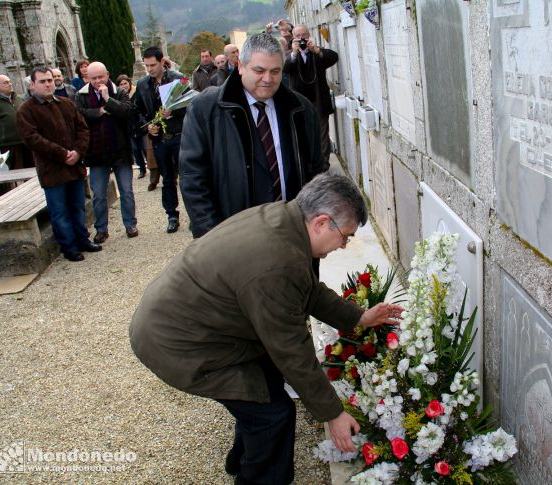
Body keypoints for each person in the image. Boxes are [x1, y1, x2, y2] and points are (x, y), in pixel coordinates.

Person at [130, 173, 404, 484]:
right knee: (272, 416)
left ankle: (241, 460)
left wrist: (359, 317)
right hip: (181, 342)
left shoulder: (283, 221)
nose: (343, 246)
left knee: (265, 386)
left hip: (193, 322)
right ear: (321, 223)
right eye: (346, 236)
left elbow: (307, 291)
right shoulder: (278, 263)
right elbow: (292, 350)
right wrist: (332, 413)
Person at [179, 33, 328, 239]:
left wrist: (314, 228)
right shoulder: (206, 109)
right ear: (240, 66)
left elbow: (316, 171)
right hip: (234, 239)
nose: (268, 79)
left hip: (293, 235)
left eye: (275, 71)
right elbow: (193, 179)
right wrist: (212, 238)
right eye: (259, 70)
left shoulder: (301, 109)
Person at [16, 67, 100, 262]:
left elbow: (83, 129)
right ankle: (68, 247)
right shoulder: (26, 111)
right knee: (59, 211)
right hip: (52, 170)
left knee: (78, 206)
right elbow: (33, 139)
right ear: (32, 85)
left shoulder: (66, 104)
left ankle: (82, 240)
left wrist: (78, 151)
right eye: (43, 81)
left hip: (74, 166)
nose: (48, 84)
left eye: (50, 80)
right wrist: (62, 154)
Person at [75, 62, 138, 243]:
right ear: (87, 78)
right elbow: (79, 115)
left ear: (107, 75)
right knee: (99, 194)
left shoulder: (119, 91)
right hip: (96, 153)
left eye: (100, 77)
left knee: (126, 190)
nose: (97, 81)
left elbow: (127, 111)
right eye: (93, 78)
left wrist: (108, 100)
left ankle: (130, 224)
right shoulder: (82, 95)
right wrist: (100, 111)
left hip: (120, 149)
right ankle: (101, 228)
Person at [134, 46, 186, 233]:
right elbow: (137, 110)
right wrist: (147, 125)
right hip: (159, 139)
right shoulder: (142, 85)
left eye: (153, 65)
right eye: (147, 66)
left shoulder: (178, 79)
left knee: (187, 177)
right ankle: (172, 215)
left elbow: (192, 105)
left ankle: (195, 214)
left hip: (180, 135)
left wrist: (174, 111)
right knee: (167, 179)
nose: (150, 69)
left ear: (162, 61)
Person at [284, 24, 339, 163]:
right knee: (304, 134)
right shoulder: (290, 55)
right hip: (299, 103)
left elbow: (333, 57)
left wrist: (316, 49)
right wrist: (294, 53)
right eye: (298, 36)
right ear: (293, 38)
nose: (302, 39)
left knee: (322, 134)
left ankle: (324, 165)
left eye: (305, 35)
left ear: (309, 36)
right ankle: (308, 164)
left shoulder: (316, 53)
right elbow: (285, 68)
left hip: (318, 101)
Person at [0, 74, 34, 169]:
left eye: (10, 82)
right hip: (9, 144)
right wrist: (2, 136)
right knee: (16, 170)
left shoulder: (20, 99)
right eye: (6, 83)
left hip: (26, 141)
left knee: (32, 168)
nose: (10, 84)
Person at [117, 74, 148, 178]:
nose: (124, 86)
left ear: (129, 83)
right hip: (129, 128)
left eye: (125, 83)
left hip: (140, 125)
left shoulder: (136, 93)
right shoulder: (119, 96)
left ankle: (152, 167)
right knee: (135, 150)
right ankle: (142, 169)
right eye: (121, 84)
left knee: (145, 148)